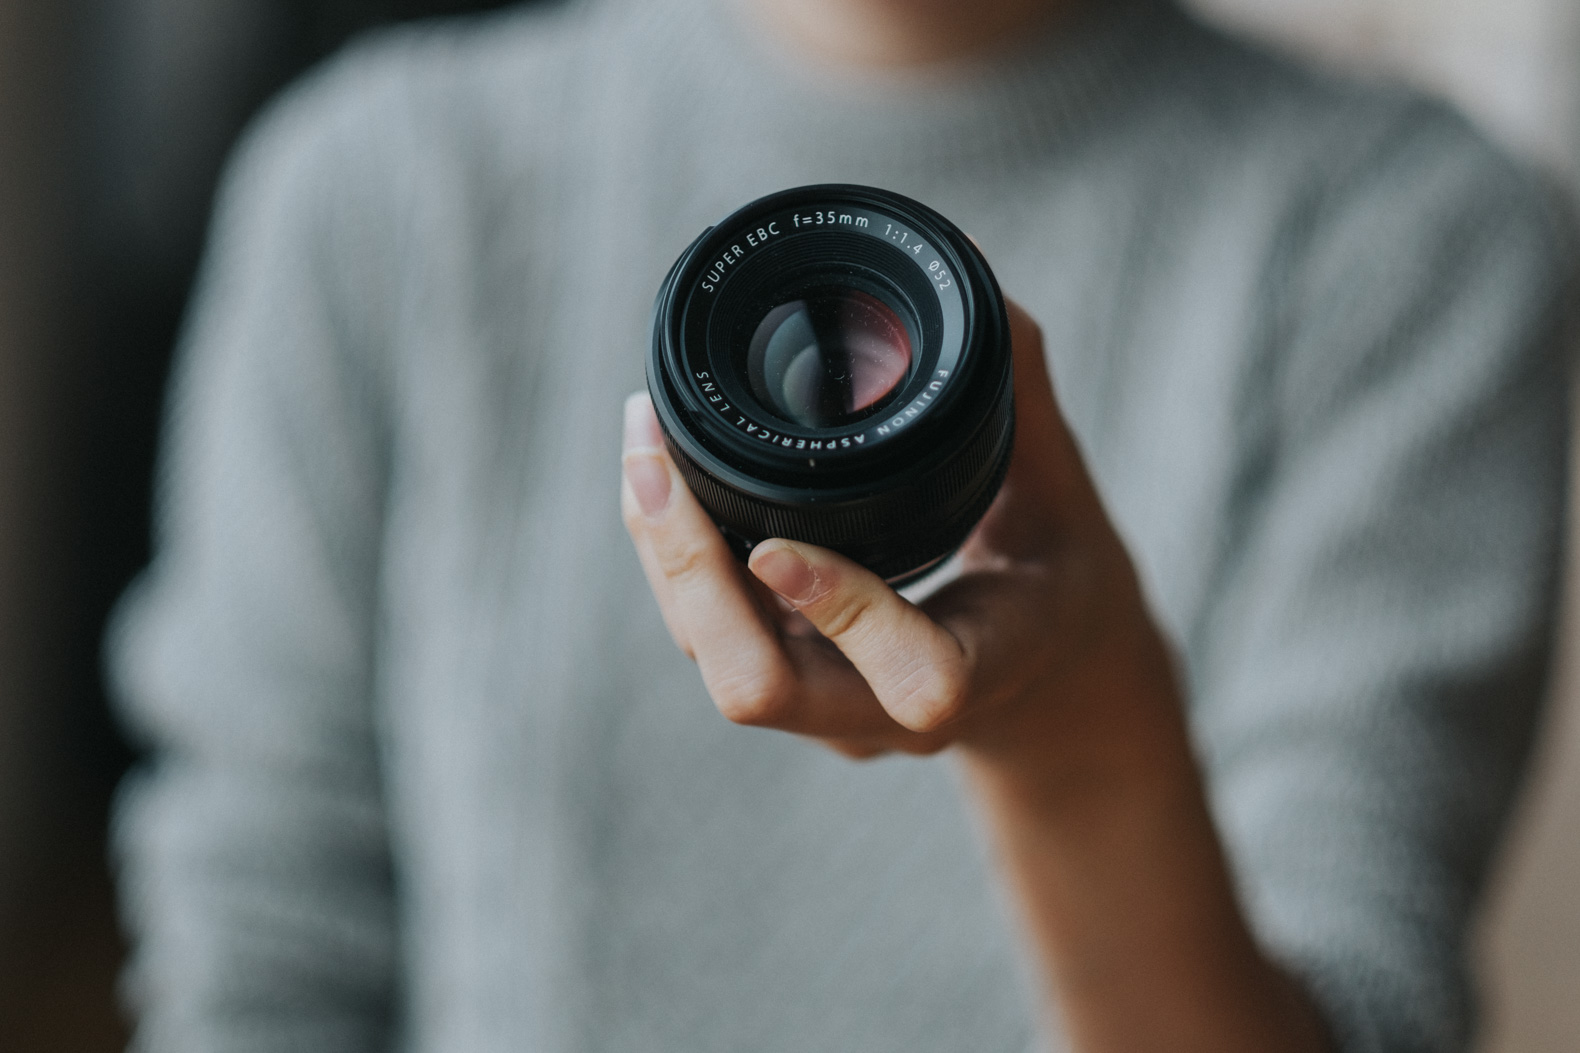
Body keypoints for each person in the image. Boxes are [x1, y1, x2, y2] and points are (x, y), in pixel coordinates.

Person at [108, 0, 1575, 1049]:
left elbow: (1361, 1000)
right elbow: (266, 957)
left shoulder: (1416, 244)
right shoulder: (378, 191)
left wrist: (1080, 733)